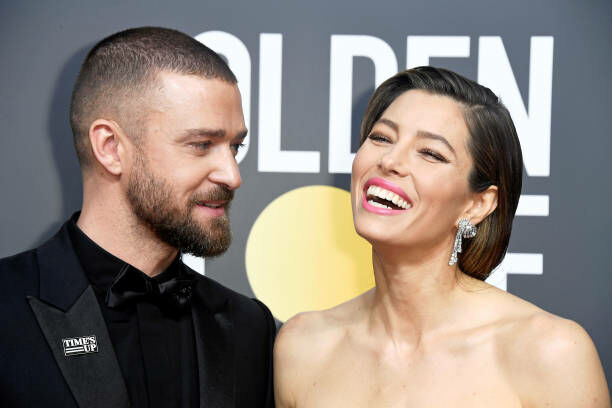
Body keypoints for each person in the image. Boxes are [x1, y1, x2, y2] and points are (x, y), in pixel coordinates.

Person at [274, 67, 610, 407]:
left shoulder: (551, 352)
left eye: (431, 154)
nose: (390, 161)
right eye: (381, 138)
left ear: (478, 204)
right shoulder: (302, 347)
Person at [0, 27, 275, 408]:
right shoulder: (6, 307)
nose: (232, 175)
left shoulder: (248, 327)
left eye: (234, 146)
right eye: (201, 145)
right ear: (111, 148)